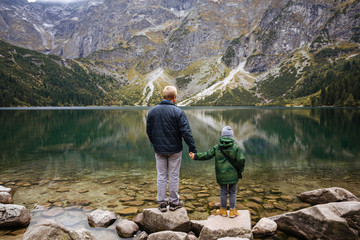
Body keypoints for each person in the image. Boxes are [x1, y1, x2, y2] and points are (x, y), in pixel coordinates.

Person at [146, 86, 197, 212]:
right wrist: (192, 148)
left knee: (161, 175)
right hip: (175, 150)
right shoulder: (178, 112)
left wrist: (156, 143)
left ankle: (162, 204)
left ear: (164, 96)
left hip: (159, 150)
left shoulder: (152, 111)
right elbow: (186, 132)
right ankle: (174, 203)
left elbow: (149, 131)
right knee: (174, 175)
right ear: (174, 97)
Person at [189, 126, 245, 218]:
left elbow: (207, 155)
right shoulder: (236, 147)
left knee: (223, 191)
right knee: (233, 192)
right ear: (231, 136)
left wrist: (195, 156)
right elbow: (241, 159)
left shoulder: (217, 147)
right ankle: (232, 211)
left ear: (222, 135)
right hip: (233, 175)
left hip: (221, 175)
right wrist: (240, 169)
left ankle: (223, 210)